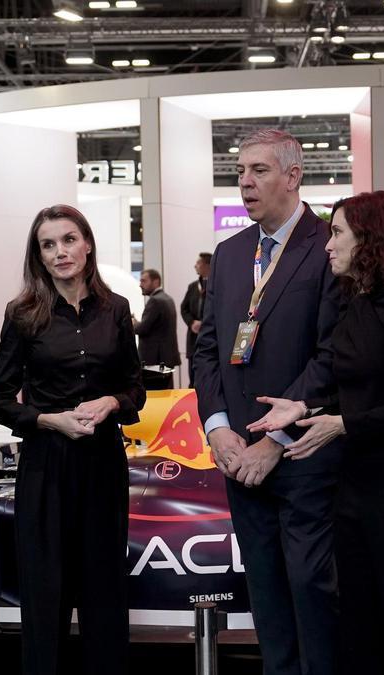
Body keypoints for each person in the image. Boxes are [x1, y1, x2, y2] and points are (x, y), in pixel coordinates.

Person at [251, 191, 384, 674]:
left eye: (338, 233)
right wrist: (303, 405)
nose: (327, 245)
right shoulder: (355, 299)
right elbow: (357, 387)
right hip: (358, 481)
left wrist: (343, 424)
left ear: (371, 239)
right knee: (363, 626)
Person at [193, 128, 342, 675]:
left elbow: (331, 358)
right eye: (240, 172)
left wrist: (277, 441)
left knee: (312, 594)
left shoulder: (327, 247)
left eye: (258, 171)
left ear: (293, 176)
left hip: (304, 460)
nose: (246, 182)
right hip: (238, 459)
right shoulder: (231, 255)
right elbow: (207, 348)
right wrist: (217, 428)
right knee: (268, 600)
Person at [0, 204, 144, 675]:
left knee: (104, 590)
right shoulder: (22, 314)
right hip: (46, 466)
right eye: (48, 245)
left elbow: (134, 386)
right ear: (38, 255)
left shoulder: (115, 309)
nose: (60, 253)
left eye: (68, 240)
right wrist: (48, 419)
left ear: (88, 243)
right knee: (44, 593)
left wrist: (112, 403)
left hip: (102, 465)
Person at [134, 268, 179, 390]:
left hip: (154, 363)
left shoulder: (155, 301)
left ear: (156, 282)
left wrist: (132, 323)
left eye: (144, 281)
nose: (140, 284)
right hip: (165, 360)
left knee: (155, 399)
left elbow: (142, 329)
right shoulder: (167, 298)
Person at [180, 252, 211, 386]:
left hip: (210, 338)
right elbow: (184, 308)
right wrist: (191, 322)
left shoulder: (217, 284)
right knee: (193, 379)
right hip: (193, 339)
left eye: (198, 263)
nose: (195, 266)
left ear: (208, 265)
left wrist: (204, 324)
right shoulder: (193, 287)